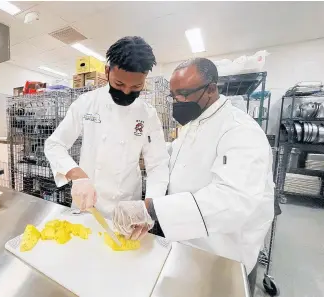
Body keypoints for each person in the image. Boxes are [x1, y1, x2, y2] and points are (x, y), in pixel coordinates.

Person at [112, 58, 274, 288]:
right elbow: (178, 156)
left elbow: (232, 200)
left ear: (211, 89)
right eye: (173, 95)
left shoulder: (241, 131)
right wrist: (144, 156)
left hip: (223, 250)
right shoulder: (195, 123)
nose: (177, 101)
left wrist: (150, 209)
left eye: (184, 94)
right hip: (186, 240)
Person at [44, 36, 169, 217]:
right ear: (107, 71)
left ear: (145, 78)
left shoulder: (147, 113)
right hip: (87, 203)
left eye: (136, 86)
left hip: (127, 207)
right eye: (119, 83)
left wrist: (147, 209)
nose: (126, 91)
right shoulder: (87, 103)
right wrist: (78, 176)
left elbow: (157, 164)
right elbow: (54, 145)